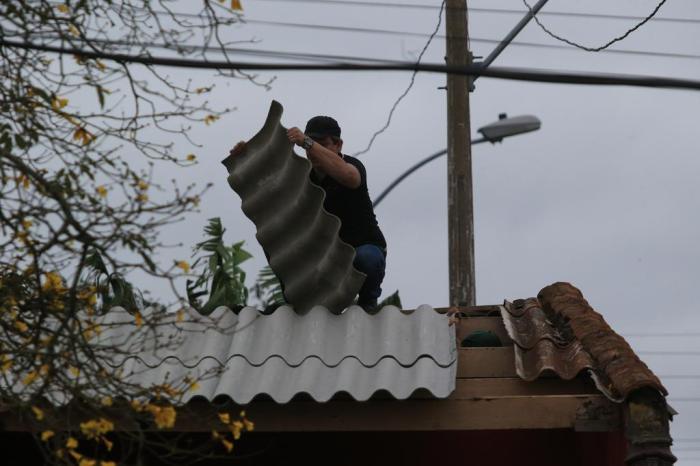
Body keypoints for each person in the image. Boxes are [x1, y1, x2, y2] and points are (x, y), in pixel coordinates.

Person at [229, 115, 387, 311]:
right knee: (274, 238)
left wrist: (307, 142)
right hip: (324, 258)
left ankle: (367, 302)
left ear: (338, 145)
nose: (312, 152)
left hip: (359, 251)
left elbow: (350, 177)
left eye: (322, 144)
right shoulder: (303, 177)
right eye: (309, 147)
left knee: (368, 258)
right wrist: (247, 156)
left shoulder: (351, 165)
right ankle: (296, 301)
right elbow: (267, 184)